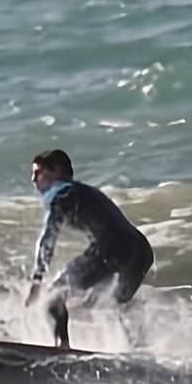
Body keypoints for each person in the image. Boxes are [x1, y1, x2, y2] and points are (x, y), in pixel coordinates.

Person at [23, 148, 154, 350]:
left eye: (38, 172)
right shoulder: (87, 192)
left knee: (53, 297)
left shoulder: (59, 191)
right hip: (141, 250)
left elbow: (48, 238)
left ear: (57, 171)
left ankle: (62, 348)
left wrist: (37, 281)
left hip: (113, 247)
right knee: (117, 303)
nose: (34, 179)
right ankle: (140, 350)